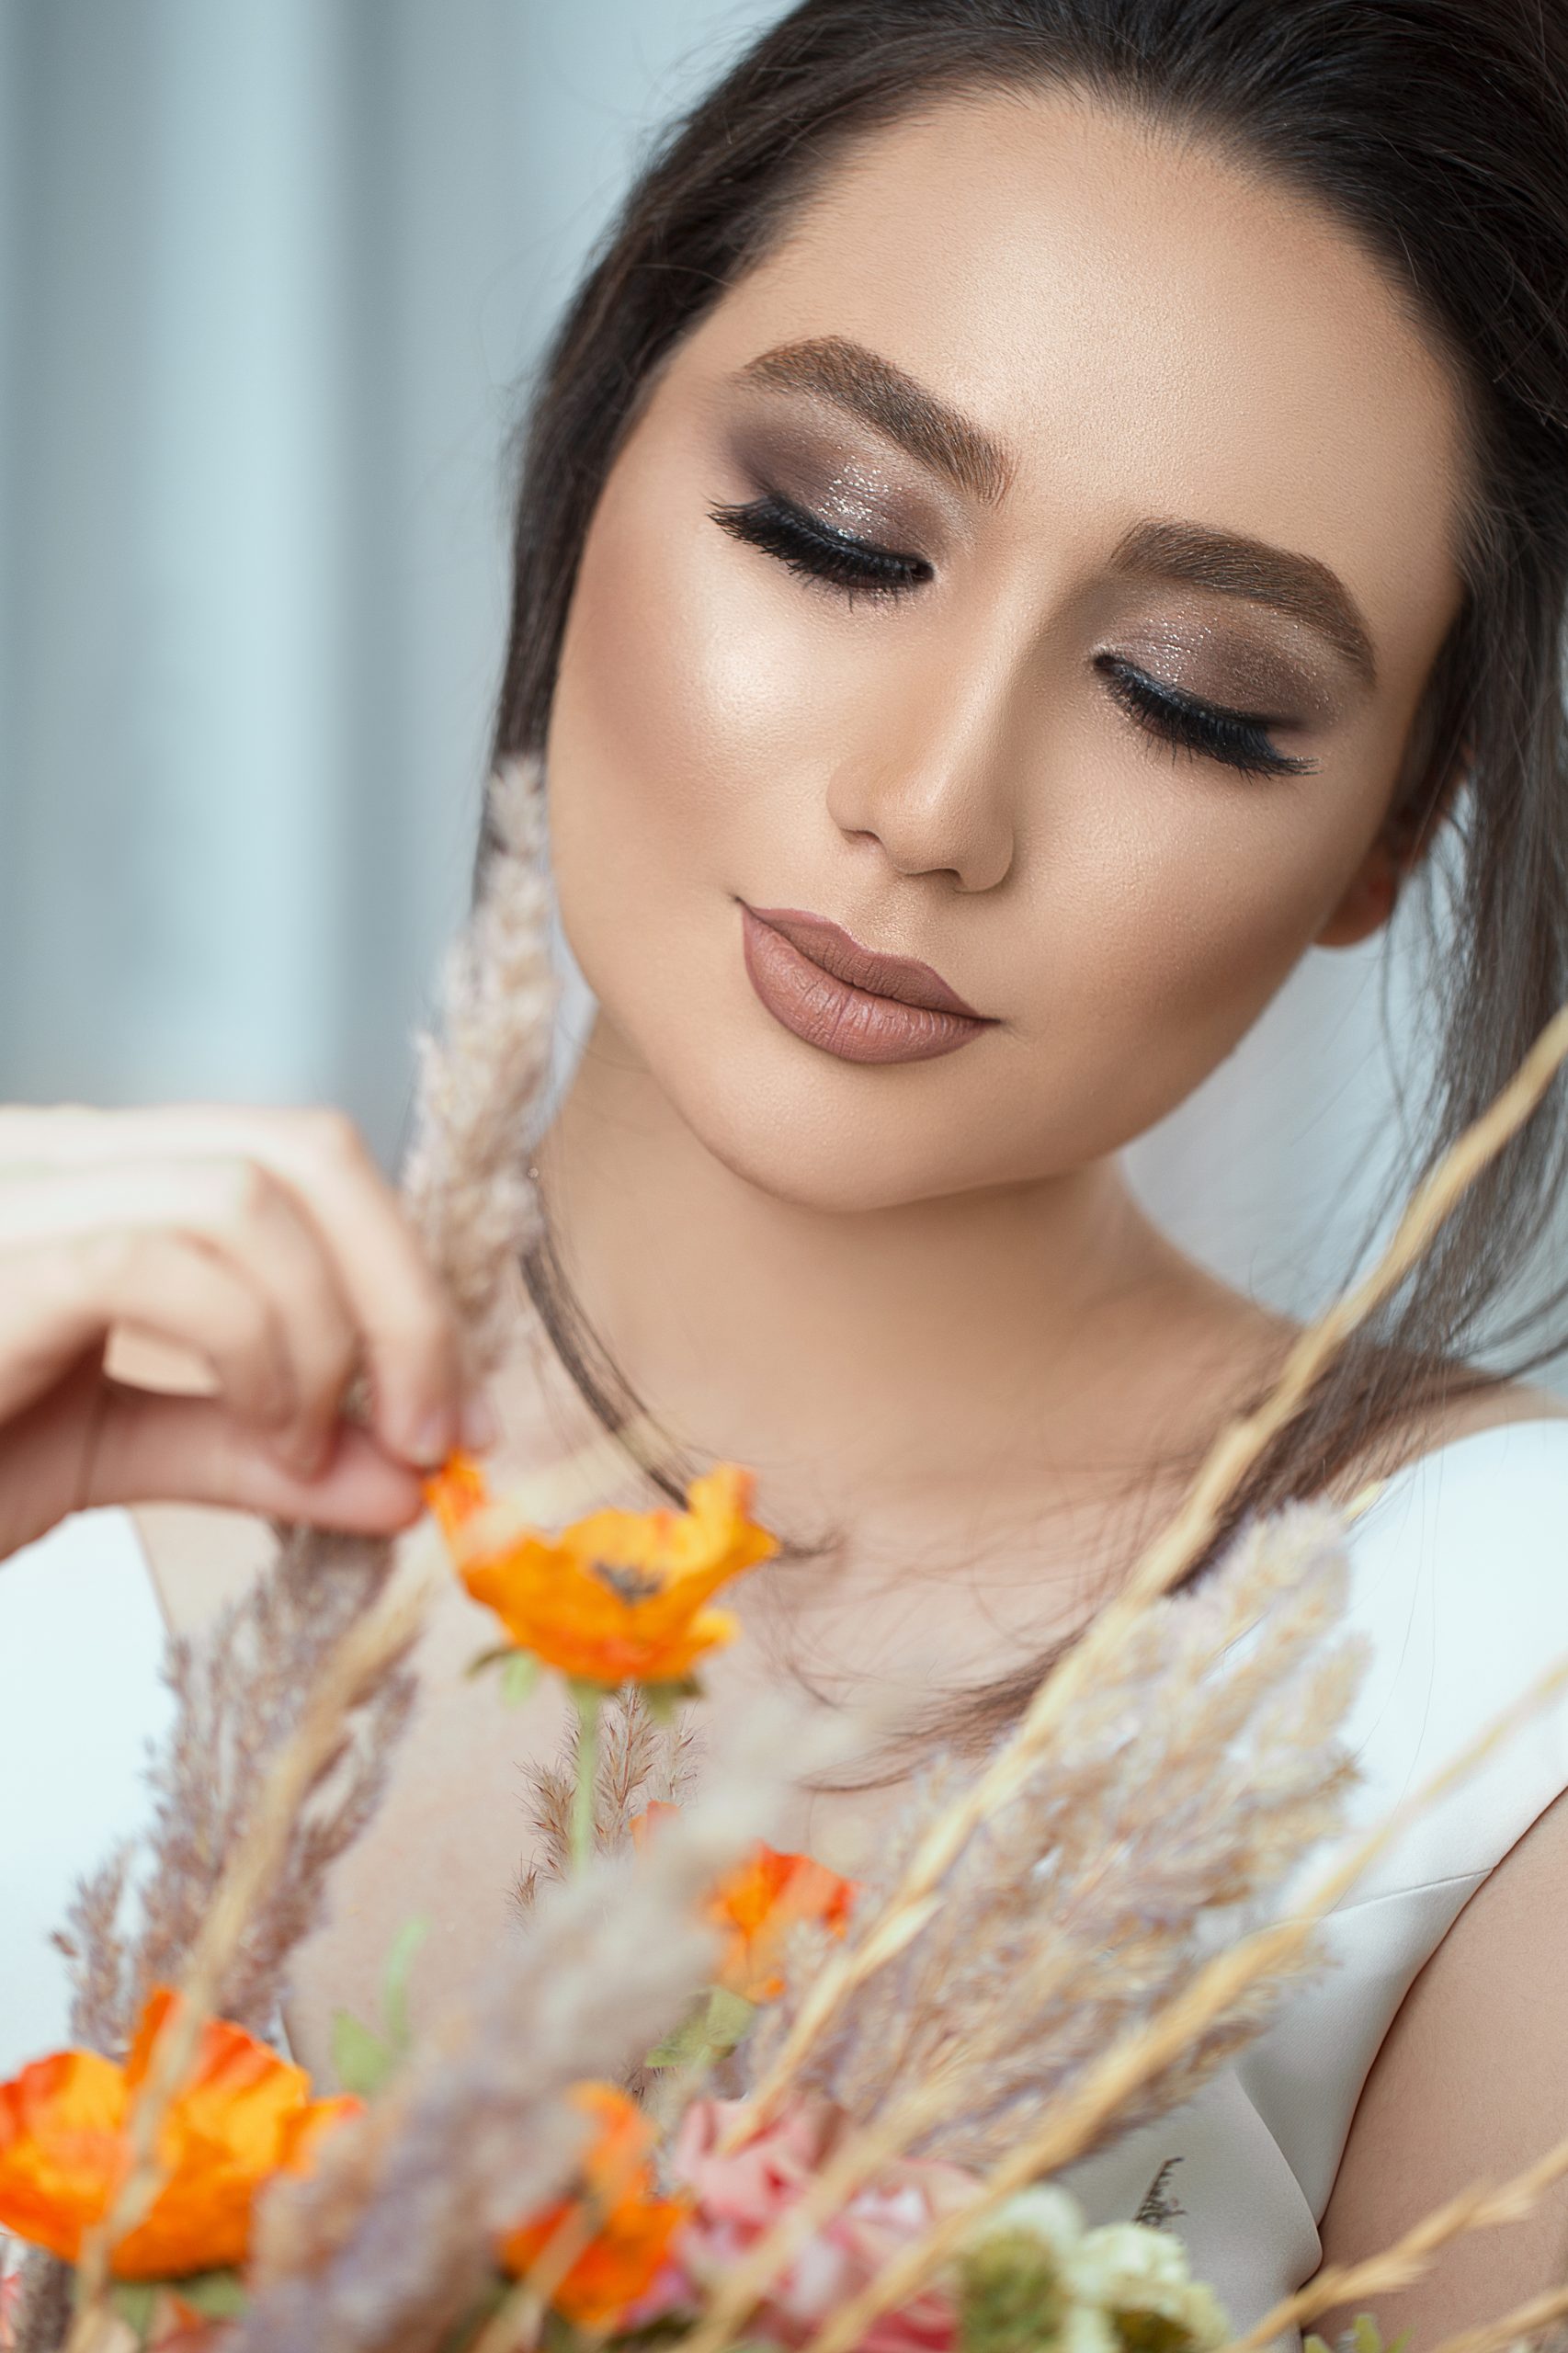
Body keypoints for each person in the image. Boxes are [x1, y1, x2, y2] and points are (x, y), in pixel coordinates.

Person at [6, 0, 1568, 2335]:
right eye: (834, 537)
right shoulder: (50, 1407)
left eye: (1193, 699)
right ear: (591, 451)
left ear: (1382, 835)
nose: (932, 806)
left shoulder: (1494, 1678)